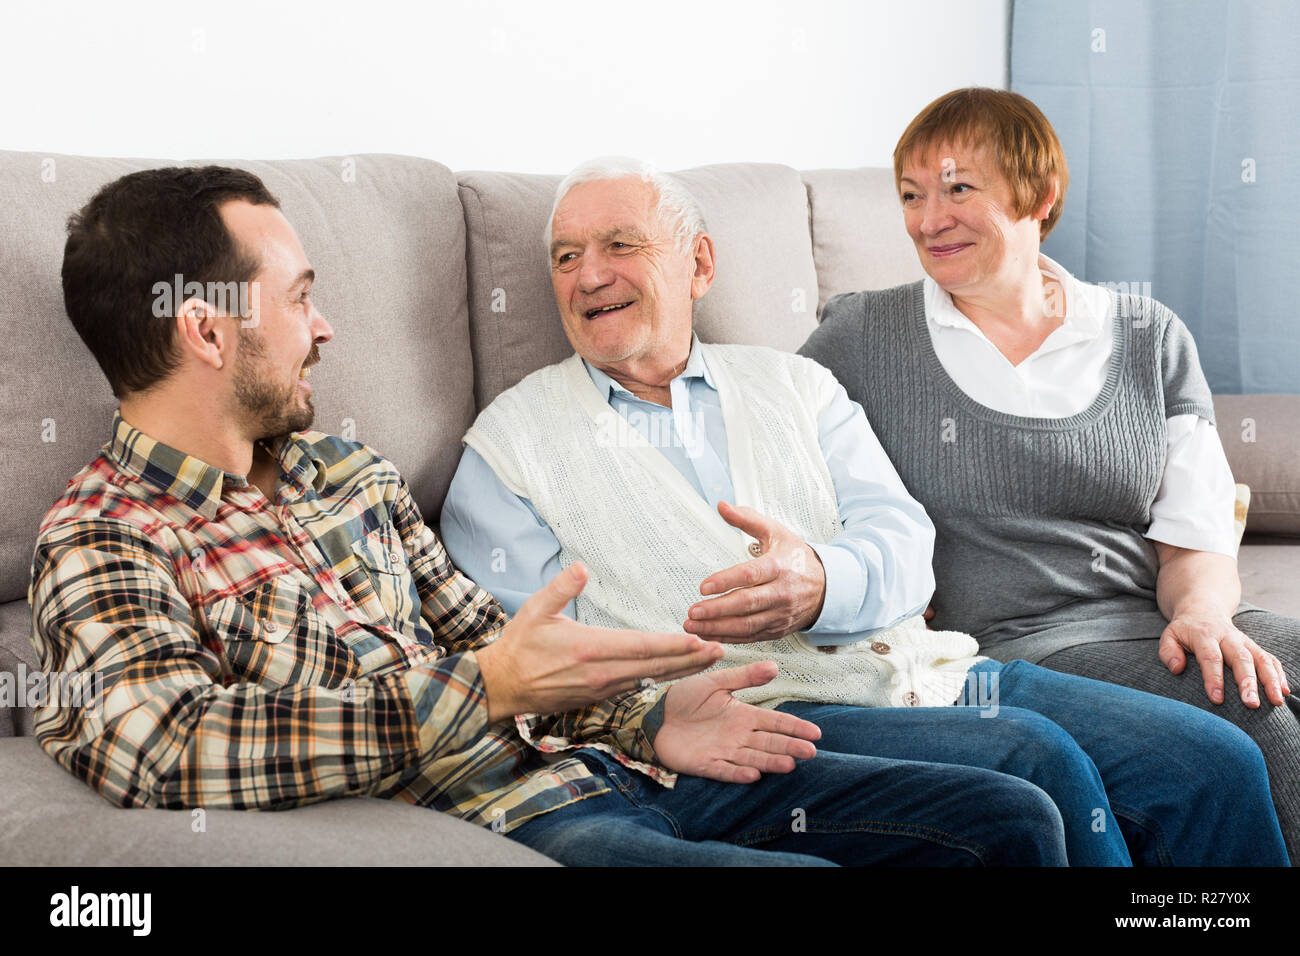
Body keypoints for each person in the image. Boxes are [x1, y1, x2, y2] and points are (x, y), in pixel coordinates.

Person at [28, 164, 1078, 868]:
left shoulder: (345, 471)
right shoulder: (106, 535)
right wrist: (476, 691)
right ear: (207, 334)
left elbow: (501, 641)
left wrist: (648, 714)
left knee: (1009, 817)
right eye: (299, 297)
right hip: (517, 811)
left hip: (618, 759)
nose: (326, 325)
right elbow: (159, 745)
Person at [441, 156, 1288, 866]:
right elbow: (529, 663)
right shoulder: (509, 448)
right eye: (564, 256)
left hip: (938, 672)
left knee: (1215, 763)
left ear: (698, 265)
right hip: (765, 712)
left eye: (620, 245)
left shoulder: (796, 384)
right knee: (1035, 758)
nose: (589, 275)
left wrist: (820, 581)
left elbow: (904, 543)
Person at [798, 87, 1300, 861]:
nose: (929, 221)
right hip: (1022, 647)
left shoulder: (1146, 334)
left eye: (959, 189)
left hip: (1158, 616)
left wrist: (1203, 616)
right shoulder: (864, 333)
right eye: (911, 196)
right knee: (1253, 716)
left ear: (1040, 195)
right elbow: (772, 448)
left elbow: (1195, 533)